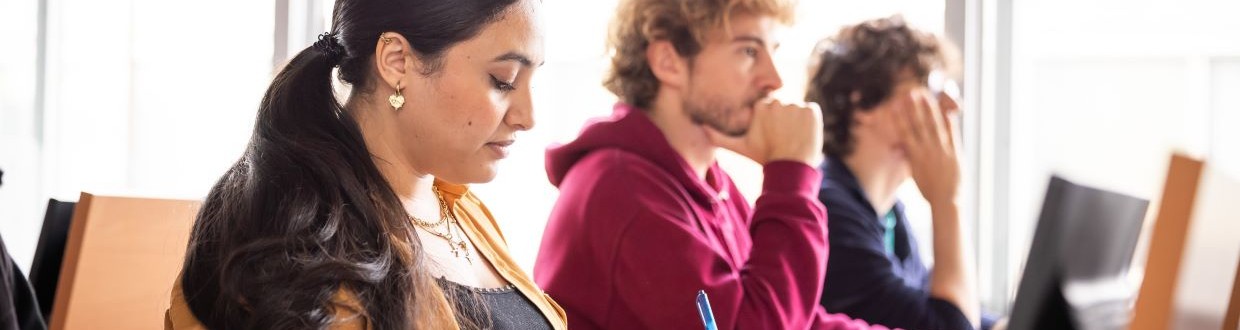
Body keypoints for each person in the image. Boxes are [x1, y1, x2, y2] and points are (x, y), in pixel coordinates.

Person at [166, 0, 566, 328]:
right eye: (503, 80)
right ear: (396, 61)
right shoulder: (303, 249)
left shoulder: (461, 210)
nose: (528, 117)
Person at [533, 0, 882, 329]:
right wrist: (791, 174)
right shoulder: (621, 192)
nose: (774, 79)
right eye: (749, 51)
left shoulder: (709, 183)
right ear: (668, 61)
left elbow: (798, 318)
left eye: (772, 52)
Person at [806, 16, 996, 330]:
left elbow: (933, 302)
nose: (951, 106)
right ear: (863, 101)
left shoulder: (889, 213)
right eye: (931, 88)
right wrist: (947, 199)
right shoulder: (827, 212)